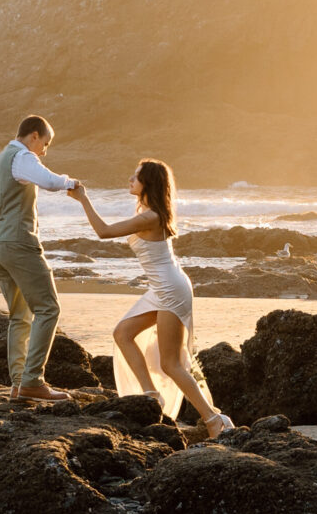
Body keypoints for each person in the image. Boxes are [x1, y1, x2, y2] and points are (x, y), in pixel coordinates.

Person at [75, 157, 236, 439]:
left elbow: (103, 232)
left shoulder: (150, 217)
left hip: (171, 289)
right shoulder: (150, 212)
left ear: (148, 183)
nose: (130, 180)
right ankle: (151, 394)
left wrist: (83, 199)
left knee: (171, 363)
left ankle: (213, 419)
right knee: (123, 333)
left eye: (135, 177)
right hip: (161, 288)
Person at [0, 114, 84, 405]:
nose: (45, 151)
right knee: (49, 308)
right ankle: (33, 381)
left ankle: (18, 384)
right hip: (17, 242)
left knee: (19, 314)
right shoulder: (23, 157)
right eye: (46, 143)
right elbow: (49, 182)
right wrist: (72, 183)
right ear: (34, 135)